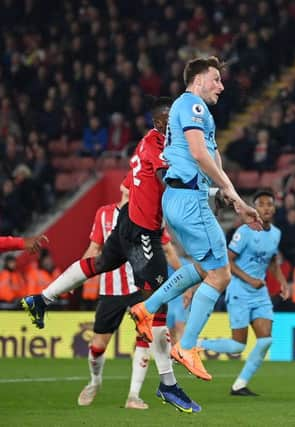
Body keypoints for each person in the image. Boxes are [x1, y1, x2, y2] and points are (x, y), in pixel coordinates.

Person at [21, 97, 200, 413]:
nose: (166, 122)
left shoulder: (156, 143)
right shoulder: (157, 144)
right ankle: (168, 385)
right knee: (155, 307)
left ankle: (42, 298)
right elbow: (165, 180)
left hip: (128, 221)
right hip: (143, 231)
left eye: (169, 118)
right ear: (157, 121)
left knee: (101, 263)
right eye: (163, 118)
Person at [129, 56, 262, 383]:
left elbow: (211, 155)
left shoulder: (195, 111)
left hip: (182, 196)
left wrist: (236, 201)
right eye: (215, 79)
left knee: (204, 268)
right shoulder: (192, 105)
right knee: (221, 276)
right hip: (189, 199)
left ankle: (147, 308)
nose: (221, 86)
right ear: (199, 79)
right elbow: (200, 154)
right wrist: (230, 190)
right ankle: (186, 346)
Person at [76, 183, 181, 410]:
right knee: (98, 346)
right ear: (123, 188)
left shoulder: (150, 215)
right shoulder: (103, 214)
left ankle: (133, 395)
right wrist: (76, 277)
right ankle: (95, 381)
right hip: (111, 289)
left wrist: (185, 281)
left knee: (145, 339)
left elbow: (168, 249)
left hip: (140, 289)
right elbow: (94, 249)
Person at [198, 189, 290, 396]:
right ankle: (196, 344)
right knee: (237, 346)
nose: (266, 208)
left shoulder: (276, 234)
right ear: (254, 208)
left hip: (260, 293)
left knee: (266, 340)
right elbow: (228, 260)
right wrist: (249, 279)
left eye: (269, 204)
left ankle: (240, 384)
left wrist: (283, 282)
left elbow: (272, 262)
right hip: (240, 291)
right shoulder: (245, 232)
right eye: (262, 204)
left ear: (274, 209)